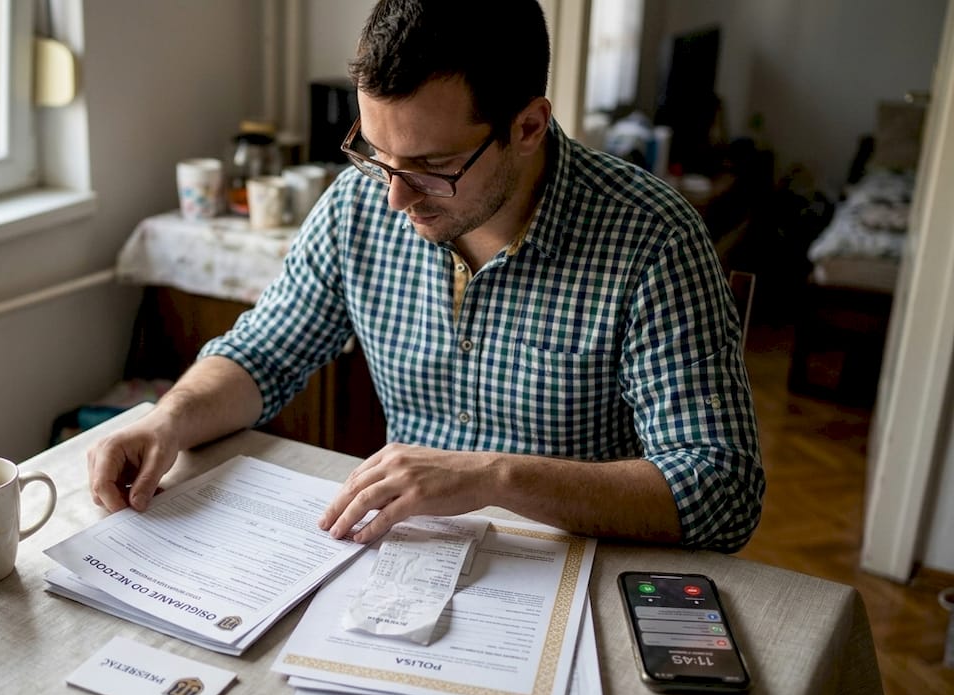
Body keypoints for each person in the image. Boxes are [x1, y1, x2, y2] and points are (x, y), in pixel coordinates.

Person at [88, 0, 764, 553]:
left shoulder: (653, 240)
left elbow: (720, 490)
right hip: (405, 564)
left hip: (574, 575)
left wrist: (494, 477)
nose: (394, 198)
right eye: (376, 155)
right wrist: (168, 421)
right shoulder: (359, 206)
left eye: (432, 166)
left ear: (528, 126)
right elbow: (263, 352)